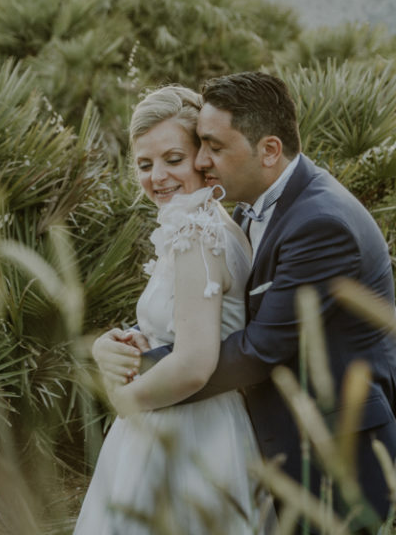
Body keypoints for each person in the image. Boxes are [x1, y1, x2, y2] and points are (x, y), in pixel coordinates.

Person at [93, 72, 396, 531]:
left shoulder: (319, 222)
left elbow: (260, 348)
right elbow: (221, 315)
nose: (204, 161)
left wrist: (137, 380)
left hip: (333, 447)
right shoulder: (249, 208)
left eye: (212, 148)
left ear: (269, 150)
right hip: (274, 434)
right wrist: (127, 344)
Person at [74, 85, 271, 534]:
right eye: (145, 164)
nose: (157, 176)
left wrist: (124, 401)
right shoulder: (212, 221)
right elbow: (185, 327)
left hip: (188, 428)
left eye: (173, 159)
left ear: (203, 158)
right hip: (194, 417)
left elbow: (194, 364)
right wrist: (122, 341)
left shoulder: (195, 233)